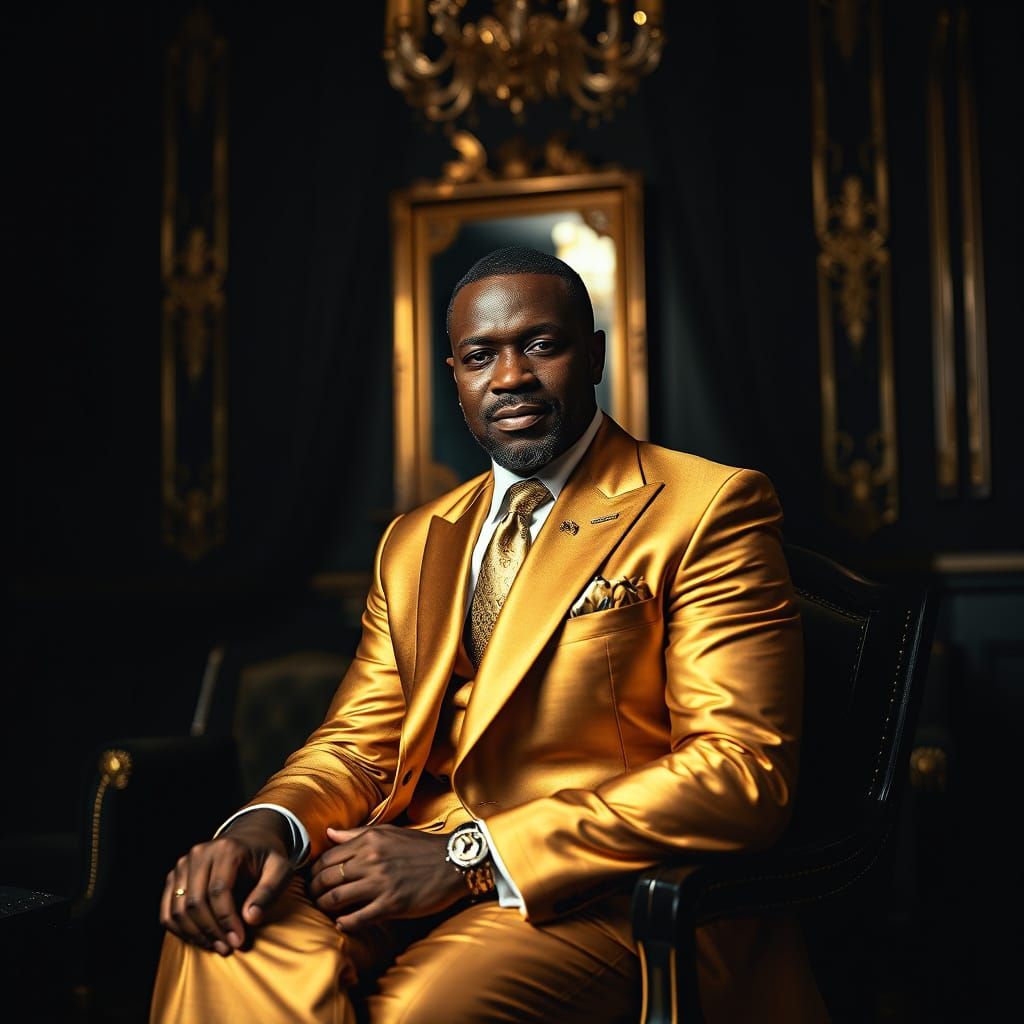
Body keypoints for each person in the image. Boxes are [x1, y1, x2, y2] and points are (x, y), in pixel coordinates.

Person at [150, 247, 827, 1022]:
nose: (511, 377)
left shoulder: (709, 507)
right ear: (457, 376)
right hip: (396, 864)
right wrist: (265, 826)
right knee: (222, 936)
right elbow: (358, 744)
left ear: (595, 354)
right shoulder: (415, 539)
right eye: (481, 356)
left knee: (415, 1013)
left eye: (541, 345)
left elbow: (740, 771)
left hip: (607, 892)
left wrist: (469, 856)